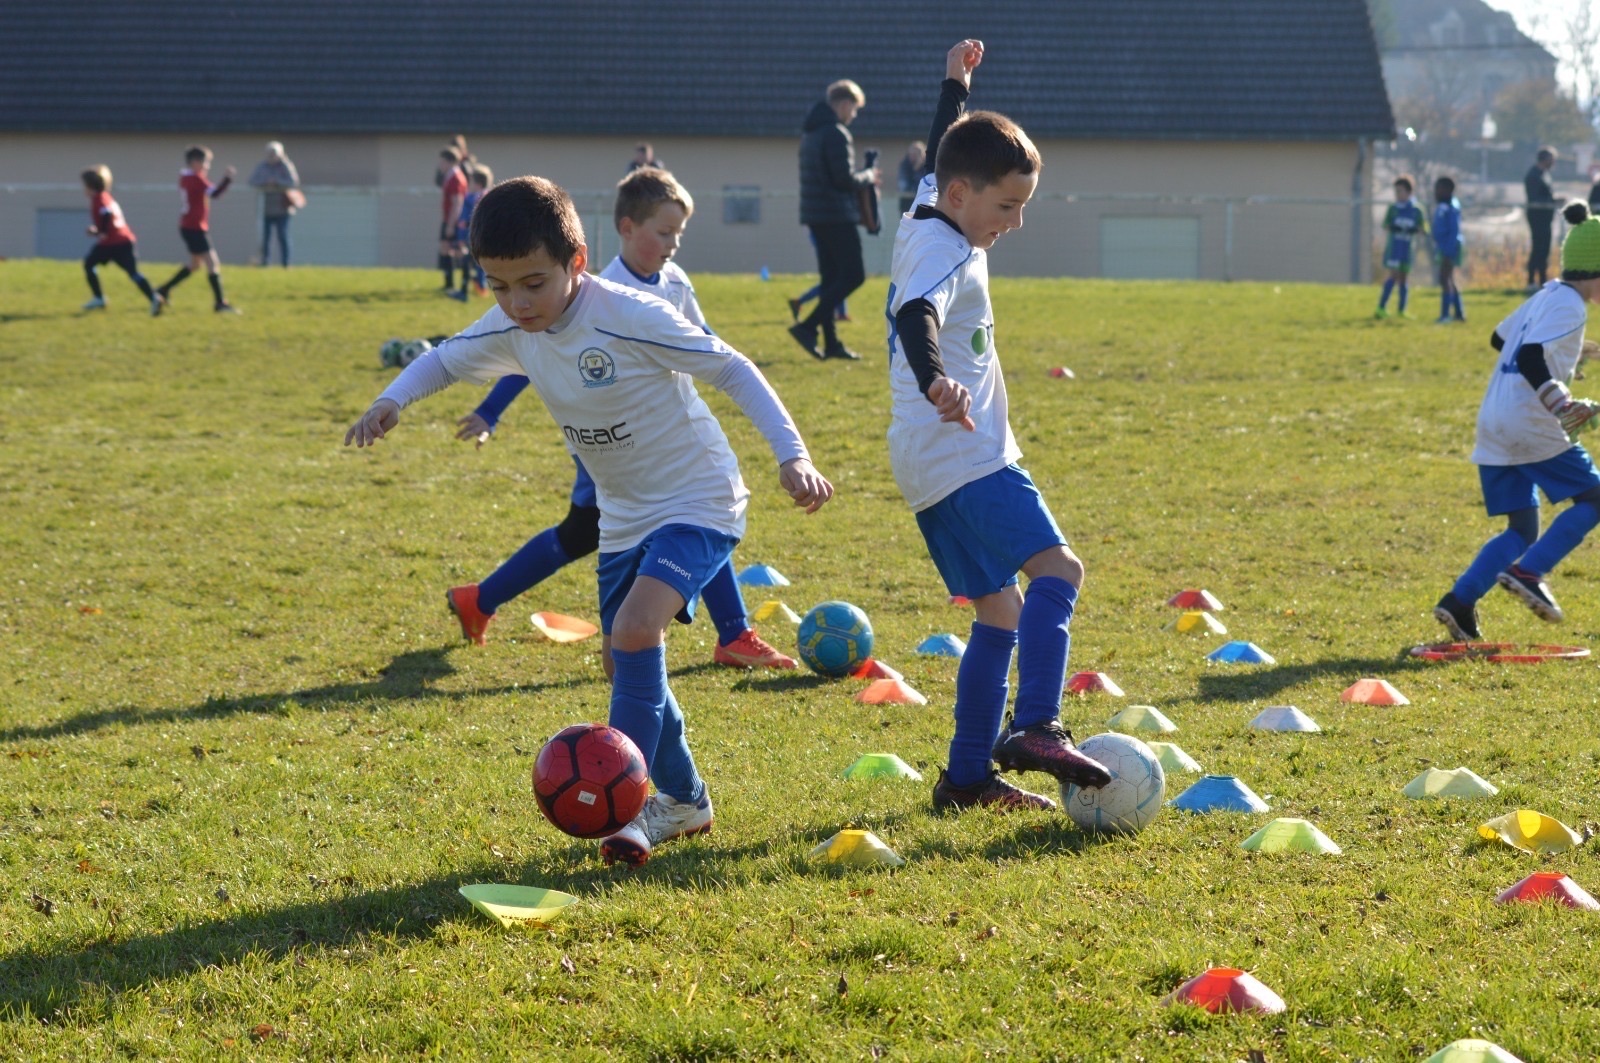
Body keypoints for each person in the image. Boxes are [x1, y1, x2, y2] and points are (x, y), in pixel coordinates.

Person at [344, 175, 832, 865]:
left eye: (533, 284)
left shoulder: (628, 313)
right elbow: (447, 358)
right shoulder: (515, 323)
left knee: (636, 632)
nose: (517, 304)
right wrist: (392, 401)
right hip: (624, 516)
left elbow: (734, 369)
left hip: (699, 498)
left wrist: (793, 456)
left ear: (577, 262)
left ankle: (622, 816)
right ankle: (686, 802)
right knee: (621, 658)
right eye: (499, 286)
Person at [446, 168, 798, 670]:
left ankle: (733, 632)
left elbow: (705, 341)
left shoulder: (675, 281)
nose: (673, 243)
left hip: (656, 441)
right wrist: (488, 410)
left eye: (679, 233)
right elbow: (524, 352)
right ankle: (480, 599)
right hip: (608, 449)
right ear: (628, 229)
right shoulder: (594, 291)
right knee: (590, 532)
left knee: (690, 514)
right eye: (663, 232)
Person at [885, 40, 1111, 813]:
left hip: (922, 459)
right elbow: (914, 313)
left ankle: (968, 778)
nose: (1013, 223)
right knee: (1060, 573)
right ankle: (1037, 724)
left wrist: (954, 85)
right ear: (961, 196)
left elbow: (947, 142)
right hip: (965, 448)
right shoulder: (946, 249)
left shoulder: (927, 208)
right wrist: (936, 378)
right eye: (1006, 207)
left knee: (1000, 611)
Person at [1434, 201, 1600, 641]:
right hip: (1531, 423)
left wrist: (1570, 355)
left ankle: (1460, 601)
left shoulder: (1547, 293)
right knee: (1596, 498)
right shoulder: (1572, 307)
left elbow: (1501, 339)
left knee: (1522, 527)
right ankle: (1530, 573)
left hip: (1495, 419)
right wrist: (1561, 401)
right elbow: (1529, 355)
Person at [791, 77, 879, 362]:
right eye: (853, 109)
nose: (853, 116)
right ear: (843, 104)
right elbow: (843, 179)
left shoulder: (811, 133)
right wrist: (869, 176)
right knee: (854, 275)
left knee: (830, 280)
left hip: (816, 216)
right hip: (836, 216)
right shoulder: (836, 133)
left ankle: (831, 344)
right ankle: (807, 326)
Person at [155, 145, 237, 314]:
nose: (207, 167)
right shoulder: (196, 178)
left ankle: (163, 290)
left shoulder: (186, 177)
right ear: (195, 162)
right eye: (205, 163)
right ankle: (220, 303)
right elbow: (215, 194)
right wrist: (228, 179)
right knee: (212, 264)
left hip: (189, 225)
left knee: (194, 265)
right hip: (195, 227)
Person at [78, 165, 162, 314]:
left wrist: (99, 231)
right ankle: (154, 298)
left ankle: (99, 298)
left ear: (90, 186)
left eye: (84, 185)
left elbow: (107, 214)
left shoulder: (99, 199)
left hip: (114, 243)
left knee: (89, 264)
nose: (83, 189)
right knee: (133, 273)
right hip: (122, 240)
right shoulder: (105, 196)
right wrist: (100, 231)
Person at [1375, 174, 1424, 319]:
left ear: (1409, 192)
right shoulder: (1393, 208)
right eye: (1396, 191)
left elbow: (1423, 229)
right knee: (1393, 276)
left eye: (1400, 191)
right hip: (1394, 249)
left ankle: (1402, 310)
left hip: (1407, 250)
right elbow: (1386, 225)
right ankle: (1381, 307)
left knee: (1403, 278)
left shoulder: (1417, 209)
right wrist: (1394, 227)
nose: (1397, 195)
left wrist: (1414, 229)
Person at [248, 141, 300, 268]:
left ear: (280, 154)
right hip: (266, 208)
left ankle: (286, 263)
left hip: (283, 208)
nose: (271, 156)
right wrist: (266, 182)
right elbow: (252, 181)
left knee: (283, 236)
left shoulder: (286, 166)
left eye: (274, 153)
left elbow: (293, 182)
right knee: (266, 238)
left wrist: (277, 182)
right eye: (269, 153)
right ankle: (265, 262)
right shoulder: (263, 166)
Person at [450, 165, 492, 301]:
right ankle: (481, 286)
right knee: (480, 264)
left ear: (478, 183)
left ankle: (464, 292)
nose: (469, 185)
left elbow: (465, 220)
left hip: (471, 237)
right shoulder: (489, 197)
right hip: (484, 238)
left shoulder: (472, 199)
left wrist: (460, 237)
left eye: (471, 182)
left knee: (467, 263)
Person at [1432, 175, 1465, 325]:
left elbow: (1453, 230)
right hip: (1444, 247)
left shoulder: (1451, 207)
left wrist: (1448, 251)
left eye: (1438, 189)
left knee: (1444, 279)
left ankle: (1445, 315)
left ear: (1447, 190)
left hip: (1449, 248)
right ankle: (1459, 313)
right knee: (1449, 278)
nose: (1435, 192)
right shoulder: (1444, 206)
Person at [437, 147, 469, 291]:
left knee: (457, 250)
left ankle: (462, 284)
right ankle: (449, 284)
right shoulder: (449, 176)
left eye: (442, 162)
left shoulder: (456, 178)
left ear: (450, 161)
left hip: (453, 220)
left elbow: (457, 203)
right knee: (445, 248)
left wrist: (451, 224)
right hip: (448, 219)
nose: (440, 165)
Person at [1526, 148, 1557, 292]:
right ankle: (1532, 280)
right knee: (1538, 247)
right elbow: (1535, 197)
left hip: (1546, 217)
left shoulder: (1545, 175)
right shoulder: (1533, 175)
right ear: (1544, 159)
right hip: (1538, 217)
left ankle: (1543, 280)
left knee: (1544, 248)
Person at [897, 140, 927, 215]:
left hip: (922, 206)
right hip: (906, 206)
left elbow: (924, 186)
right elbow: (905, 187)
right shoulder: (905, 166)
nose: (912, 157)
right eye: (911, 154)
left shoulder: (927, 167)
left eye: (916, 154)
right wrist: (915, 170)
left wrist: (918, 168)